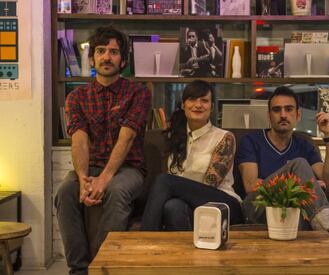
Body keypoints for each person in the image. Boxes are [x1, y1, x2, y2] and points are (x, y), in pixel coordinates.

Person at [235, 86, 329, 264]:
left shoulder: (304, 145)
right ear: (269, 116)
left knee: (297, 206)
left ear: (298, 115)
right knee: (300, 164)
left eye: (288, 109)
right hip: (257, 207)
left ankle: (318, 251)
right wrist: (303, 186)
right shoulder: (251, 142)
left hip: (296, 210)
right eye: (276, 110)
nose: (283, 115)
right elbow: (251, 187)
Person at [54, 26, 151, 275]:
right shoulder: (77, 97)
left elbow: (127, 138)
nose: (107, 57)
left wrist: (105, 178)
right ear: (92, 58)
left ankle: (99, 268)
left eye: (114, 52)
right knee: (65, 190)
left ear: (124, 60)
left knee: (116, 191)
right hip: (91, 166)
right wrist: (84, 178)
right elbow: (79, 140)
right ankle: (78, 270)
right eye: (101, 51)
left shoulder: (138, 93)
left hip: (129, 169)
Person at [140, 80, 243, 231]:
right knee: (173, 207)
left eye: (204, 100)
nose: (198, 105)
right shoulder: (174, 137)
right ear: (183, 105)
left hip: (223, 204)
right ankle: (182, 254)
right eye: (192, 99)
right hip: (189, 203)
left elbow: (209, 185)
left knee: (164, 181)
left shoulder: (224, 137)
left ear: (212, 107)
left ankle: (144, 239)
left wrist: (172, 187)